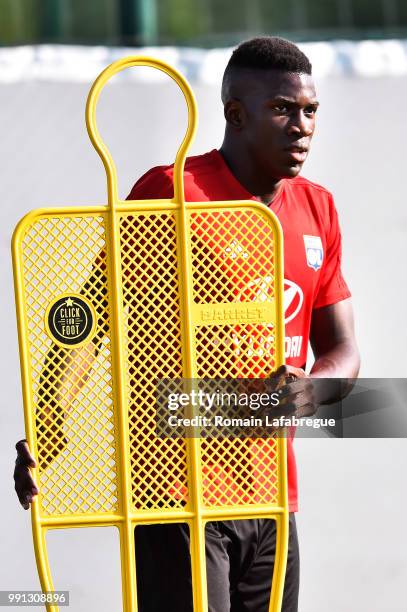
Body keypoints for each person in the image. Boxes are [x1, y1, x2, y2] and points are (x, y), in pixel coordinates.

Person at [14, 36, 360, 611]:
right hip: (177, 495)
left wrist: (313, 386)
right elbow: (89, 323)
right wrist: (47, 432)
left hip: (274, 497)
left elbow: (345, 350)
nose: (300, 126)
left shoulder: (317, 207)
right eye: (281, 109)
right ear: (235, 114)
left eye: (310, 111)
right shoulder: (173, 192)